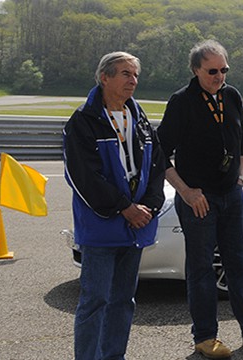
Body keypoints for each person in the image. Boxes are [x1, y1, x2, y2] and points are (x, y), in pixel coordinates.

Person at [157, 39, 243, 359]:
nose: (220, 76)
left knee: (238, 263)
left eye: (224, 69)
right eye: (212, 71)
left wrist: (241, 176)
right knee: (202, 269)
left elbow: (242, 140)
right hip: (199, 199)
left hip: (232, 194)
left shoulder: (232, 95)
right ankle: (204, 337)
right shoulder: (182, 101)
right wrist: (186, 192)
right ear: (196, 70)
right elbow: (159, 153)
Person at [63, 51, 166, 360]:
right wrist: (124, 207)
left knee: (124, 300)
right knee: (94, 301)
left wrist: (149, 206)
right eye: (124, 73)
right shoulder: (83, 120)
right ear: (104, 77)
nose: (132, 80)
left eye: (134, 75)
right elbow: (83, 177)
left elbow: (157, 166)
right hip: (102, 226)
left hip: (137, 224)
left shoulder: (140, 118)